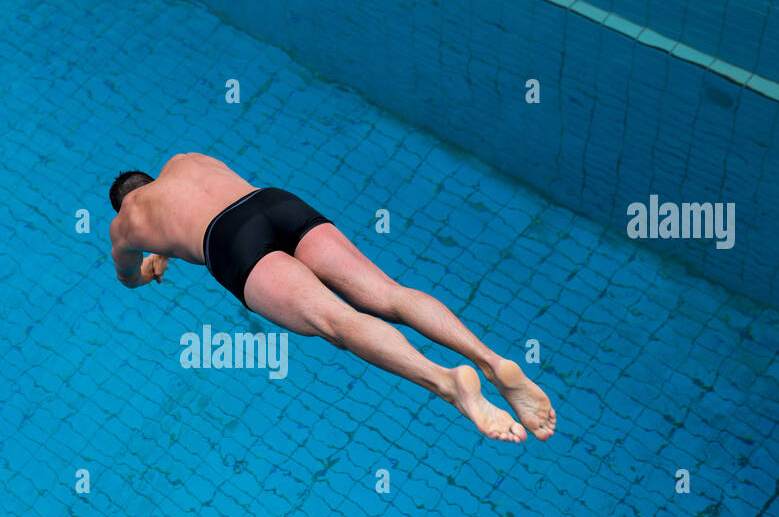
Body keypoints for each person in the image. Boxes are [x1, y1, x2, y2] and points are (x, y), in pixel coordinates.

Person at [108, 153, 556, 443]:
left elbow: (128, 275)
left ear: (123, 202)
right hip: (273, 204)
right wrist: (164, 250)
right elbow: (185, 209)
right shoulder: (187, 160)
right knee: (388, 294)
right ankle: (491, 361)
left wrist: (150, 263)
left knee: (337, 322)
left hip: (228, 240)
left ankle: (446, 382)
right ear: (150, 176)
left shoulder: (125, 223)